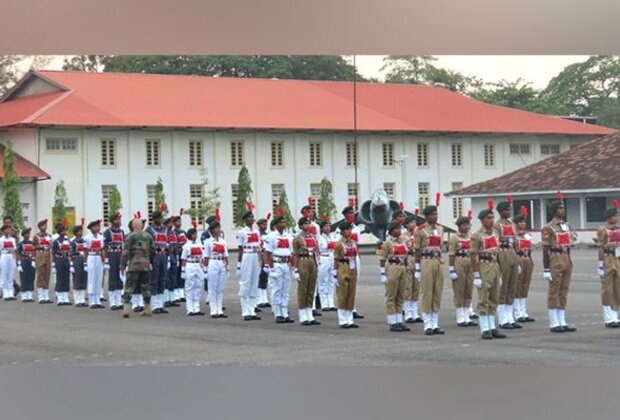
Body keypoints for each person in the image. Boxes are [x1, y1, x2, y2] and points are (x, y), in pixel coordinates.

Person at [542, 192, 577, 333]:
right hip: (555, 259)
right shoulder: (548, 227)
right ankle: (554, 321)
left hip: (566, 257)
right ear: (554, 210)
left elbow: (569, 244)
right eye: (560, 208)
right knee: (554, 290)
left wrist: (569, 259)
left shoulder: (566, 225)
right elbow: (546, 248)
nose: (563, 210)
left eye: (563, 207)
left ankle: (562, 319)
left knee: (563, 290)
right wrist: (546, 269)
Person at [470, 201, 506, 340]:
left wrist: (500, 271)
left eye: (492, 218)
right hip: (484, 265)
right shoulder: (477, 235)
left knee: (494, 297)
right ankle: (485, 328)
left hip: (494, 265)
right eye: (488, 218)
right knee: (483, 298)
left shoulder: (496, 233)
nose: (491, 220)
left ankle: (492, 326)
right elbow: (473, 255)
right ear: (482, 220)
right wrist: (476, 274)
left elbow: (498, 253)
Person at [414, 199, 445, 335]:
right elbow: (417, 250)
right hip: (426, 261)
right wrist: (417, 267)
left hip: (437, 261)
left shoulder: (440, 228)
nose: (434, 216)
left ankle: (435, 322)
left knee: (437, 291)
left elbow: (440, 247)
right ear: (426, 216)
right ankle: (428, 324)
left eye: (436, 214)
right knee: (427, 291)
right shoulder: (420, 230)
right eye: (432, 214)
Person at [494, 197, 522, 330]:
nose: (509, 212)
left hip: (512, 253)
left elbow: (516, 241)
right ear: (500, 212)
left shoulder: (511, 225)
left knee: (512, 286)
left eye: (510, 209)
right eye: (506, 210)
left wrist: (518, 258)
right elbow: (495, 242)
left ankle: (510, 317)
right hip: (502, 253)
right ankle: (503, 318)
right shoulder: (497, 225)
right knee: (503, 287)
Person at [121, 218, 155, 318]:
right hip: (145, 265)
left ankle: (126, 308)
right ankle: (147, 308)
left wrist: (122, 264)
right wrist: (150, 261)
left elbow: (125, 252)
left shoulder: (130, 236)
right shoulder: (148, 236)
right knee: (146, 286)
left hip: (134, 264)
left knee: (129, 286)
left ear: (133, 226)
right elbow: (153, 251)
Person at [379, 221, 410, 332]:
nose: (399, 230)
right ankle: (392, 321)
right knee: (391, 295)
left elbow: (407, 256)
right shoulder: (388, 243)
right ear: (392, 231)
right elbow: (382, 259)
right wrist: (382, 273)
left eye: (400, 228)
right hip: (392, 267)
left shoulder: (404, 241)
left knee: (401, 295)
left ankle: (399, 320)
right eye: (397, 229)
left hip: (402, 267)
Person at [265, 213, 295, 324]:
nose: (283, 224)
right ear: (276, 225)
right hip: (277, 263)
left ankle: (285, 311)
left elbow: (292, 253)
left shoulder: (288, 236)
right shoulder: (272, 236)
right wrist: (271, 268)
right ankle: (278, 312)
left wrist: (293, 267)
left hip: (286, 264)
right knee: (277, 289)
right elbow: (268, 253)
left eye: (284, 222)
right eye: (281, 222)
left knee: (285, 290)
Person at [448, 212, 477, 327]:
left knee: (468, 288)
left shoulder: (472, 236)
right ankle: (460, 317)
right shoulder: (454, 238)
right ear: (459, 226)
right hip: (459, 261)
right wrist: (451, 269)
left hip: (469, 261)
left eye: (468, 225)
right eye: (464, 225)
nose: (467, 227)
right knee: (459, 289)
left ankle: (467, 315)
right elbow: (451, 254)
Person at [338, 202, 365, 320]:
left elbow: (357, 245)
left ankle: (352, 307)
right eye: (349, 213)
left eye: (352, 213)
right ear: (344, 215)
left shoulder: (357, 229)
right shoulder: (340, 229)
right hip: (345, 258)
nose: (351, 215)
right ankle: (347, 310)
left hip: (355, 257)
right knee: (345, 285)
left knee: (353, 283)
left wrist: (358, 257)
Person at [292, 216, 320, 326]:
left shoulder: (313, 237)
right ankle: (303, 314)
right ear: (300, 226)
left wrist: (317, 262)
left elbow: (316, 251)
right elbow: (295, 255)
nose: (307, 226)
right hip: (303, 261)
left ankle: (310, 312)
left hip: (312, 261)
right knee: (303, 288)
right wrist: (296, 269)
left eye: (308, 223)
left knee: (311, 287)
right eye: (305, 224)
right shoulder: (298, 238)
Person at [596, 200, 620, 328]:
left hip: (617, 259)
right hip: (608, 258)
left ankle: (615, 315)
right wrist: (600, 264)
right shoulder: (603, 230)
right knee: (607, 289)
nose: (617, 218)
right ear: (609, 217)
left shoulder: (618, 229)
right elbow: (600, 247)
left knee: (617, 288)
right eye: (615, 215)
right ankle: (608, 317)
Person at [236, 203, 262, 320]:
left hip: (255, 256)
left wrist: (260, 260)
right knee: (245, 282)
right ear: (245, 219)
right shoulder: (242, 232)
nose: (252, 219)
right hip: (247, 255)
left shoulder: (257, 232)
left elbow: (260, 247)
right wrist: (239, 264)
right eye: (249, 217)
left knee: (254, 282)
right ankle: (245, 310)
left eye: (252, 217)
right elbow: (240, 248)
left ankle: (252, 309)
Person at [332, 219, 359, 328]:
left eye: (350, 229)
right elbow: (335, 259)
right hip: (343, 267)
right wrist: (334, 273)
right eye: (347, 230)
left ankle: (350, 318)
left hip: (352, 267)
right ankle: (343, 319)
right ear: (342, 232)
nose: (349, 232)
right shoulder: (339, 244)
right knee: (342, 293)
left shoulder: (353, 242)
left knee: (351, 293)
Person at [204, 219, 230, 319]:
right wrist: (205, 270)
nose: (218, 230)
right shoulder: (208, 242)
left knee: (220, 288)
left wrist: (227, 267)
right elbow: (206, 257)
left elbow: (226, 255)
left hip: (221, 262)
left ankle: (219, 309)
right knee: (212, 288)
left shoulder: (223, 241)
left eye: (219, 228)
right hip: (213, 262)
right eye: (216, 228)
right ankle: (213, 309)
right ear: (211, 230)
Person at [146, 206, 169, 314]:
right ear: (154, 219)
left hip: (163, 255)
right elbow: (147, 246)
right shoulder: (149, 230)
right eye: (158, 218)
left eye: (161, 218)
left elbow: (167, 242)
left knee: (162, 278)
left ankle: (160, 304)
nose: (160, 220)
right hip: (154, 256)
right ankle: (154, 304)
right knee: (154, 279)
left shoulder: (165, 229)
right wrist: (149, 260)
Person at [513, 207, 535, 323]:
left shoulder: (527, 235)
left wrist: (531, 261)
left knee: (525, 285)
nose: (523, 224)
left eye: (524, 222)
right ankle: (517, 312)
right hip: (519, 259)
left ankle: (524, 311)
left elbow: (529, 249)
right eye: (520, 222)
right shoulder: (514, 236)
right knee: (518, 285)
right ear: (516, 224)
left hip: (527, 259)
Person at [180, 223, 206, 316]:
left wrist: (204, 269)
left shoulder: (200, 245)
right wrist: (183, 270)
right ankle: (190, 308)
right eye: (194, 234)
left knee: (198, 287)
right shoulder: (186, 246)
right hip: (190, 265)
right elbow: (183, 259)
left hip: (198, 265)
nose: (196, 236)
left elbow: (202, 258)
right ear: (190, 235)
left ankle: (197, 308)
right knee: (190, 287)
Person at [103, 212, 125, 310]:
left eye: (119, 219)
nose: (119, 221)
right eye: (116, 220)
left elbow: (123, 245)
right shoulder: (108, 232)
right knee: (112, 277)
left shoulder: (122, 232)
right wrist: (106, 259)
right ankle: (112, 302)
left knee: (119, 277)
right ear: (112, 222)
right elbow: (105, 247)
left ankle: (119, 300)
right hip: (112, 254)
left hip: (120, 254)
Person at [403, 213, 422, 323]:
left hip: (417, 259)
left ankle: (415, 313)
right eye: (410, 223)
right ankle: (408, 313)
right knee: (408, 287)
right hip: (408, 259)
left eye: (414, 222)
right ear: (406, 225)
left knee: (416, 287)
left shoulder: (418, 235)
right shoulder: (403, 236)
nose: (413, 224)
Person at [317, 216, 338, 311]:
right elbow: (322, 247)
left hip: (332, 258)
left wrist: (332, 245)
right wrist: (332, 245)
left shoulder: (333, 236)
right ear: (322, 228)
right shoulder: (320, 237)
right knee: (323, 281)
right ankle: (324, 303)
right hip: (324, 258)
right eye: (325, 226)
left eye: (328, 226)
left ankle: (331, 303)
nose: (327, 228)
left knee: (331, 281)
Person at [84, 219, 105, 309]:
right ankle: (92, 300)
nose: (97, 228)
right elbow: (85, 250)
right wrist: (85, 262)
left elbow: (102, 249)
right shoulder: (87, 237)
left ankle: (97, 299)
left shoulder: (101, 237)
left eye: (98, 226)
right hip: (91, 257)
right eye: (95, 226)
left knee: (99, 278)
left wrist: (104, 260)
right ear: (91, 228)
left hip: (98, 257)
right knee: (92, 278)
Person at [52, 221, 72, 305]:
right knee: (60, 278)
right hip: (59, 259)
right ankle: (60, 298)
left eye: (65, 230)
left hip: (66, 259)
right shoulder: (56, 241)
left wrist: (70, 261)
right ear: (60, 232)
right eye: (63, 230)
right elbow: (53, 252)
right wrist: (53, 263)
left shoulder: (67, 240)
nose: (64, 232)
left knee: (66, 278)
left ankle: (66, 297)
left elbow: (70, 251)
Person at [33, 219, 53, 304]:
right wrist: (34, 259)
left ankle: (46, 295)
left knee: (47, 274)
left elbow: (51, 245)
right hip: (40, 254)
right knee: (40, 274)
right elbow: (33, 248)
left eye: (45, 225)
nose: (45, 227)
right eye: (43, 225)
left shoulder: (49, 235)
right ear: (39, 227)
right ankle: (41, 296)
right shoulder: (36, 236)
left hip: (47, 254)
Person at [70, 223, 88, 307]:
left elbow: (86, 251)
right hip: (76, 259)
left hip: (83, 260)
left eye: (82, 231)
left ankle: (82, 298)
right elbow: (70, 253)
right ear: (76, 232)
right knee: (77, 279)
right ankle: (77, 299)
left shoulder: (84, 241)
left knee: (83, 279)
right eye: (79, 231)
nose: (81, 232)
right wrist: (71, 264)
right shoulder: (73, 242)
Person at [17, 227, 36, 302]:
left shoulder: (31, 243)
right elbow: (18, 253)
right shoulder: (21, 244)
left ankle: (30, 295)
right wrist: (19, 264)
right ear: (23, 234)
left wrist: (34, 260)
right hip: (24, 261)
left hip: (30, 261)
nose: (28, 235)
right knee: (24, 278)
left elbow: (34, 252)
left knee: (31, 278)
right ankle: (24, 295)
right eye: (26, 233)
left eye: (29, 233)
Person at [256, 214, 271, 308]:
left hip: (266, 257)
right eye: (263, 224)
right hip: (259, 257)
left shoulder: (267, 235)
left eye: (266, 224)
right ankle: (259, 298)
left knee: (265, 278)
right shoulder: (257, 235)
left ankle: (264, 298)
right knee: (259, 277)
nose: (264, 226)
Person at [0, 223, 18, 300]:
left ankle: (10, 293)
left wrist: (16, 260)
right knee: (4, 275)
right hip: (4, 256)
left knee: (10, 275)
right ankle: (5, 293)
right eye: (6, 229)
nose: (8, 231)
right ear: (3, 231)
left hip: (11, 256)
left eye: (9, 229)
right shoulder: (1, 239)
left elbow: (14, 250)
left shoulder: (13, 239)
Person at [173, 213, 188, 302]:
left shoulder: (183, 232)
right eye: (177, 221)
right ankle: (176, 293)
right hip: (177, 254)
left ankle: (182, 292)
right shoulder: (174, 232)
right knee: (176, 273)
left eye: (180, 221)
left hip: (183, 255)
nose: (179, 223)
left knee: (182, 274)